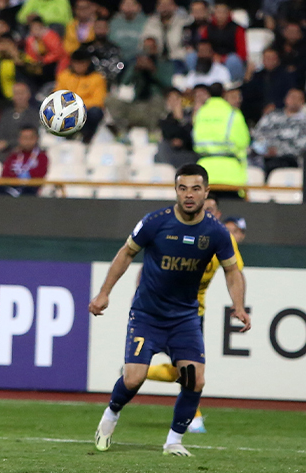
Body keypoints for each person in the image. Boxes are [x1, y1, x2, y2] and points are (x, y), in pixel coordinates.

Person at [90, 163, 249, 458]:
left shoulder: (215, 232)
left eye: (195, 188)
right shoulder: (155, 222)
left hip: (185, 317)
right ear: (176, 190)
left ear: (206, 192)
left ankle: (174, 441)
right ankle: (110, 416)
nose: (189, 195)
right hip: (147, 314)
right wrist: (104, 292)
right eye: (183, 188)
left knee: (194, 379)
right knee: (133, 378)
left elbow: (232, 271)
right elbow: (126, 253)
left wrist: (238, 305)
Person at [145, 194, 245, 435]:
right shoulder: (179, 232)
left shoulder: (221, 239)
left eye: (211, 209)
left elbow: (235, 272)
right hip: (165, 309)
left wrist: (239, 305)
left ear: (217, 214)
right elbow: (150, 265)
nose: (207, 212)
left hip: (193, 314)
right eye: (204, 208)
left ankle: (138, 371)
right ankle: (193, 416)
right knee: (189, 370)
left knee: (186, 370)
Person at [193, 83, 249, 199]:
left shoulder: (200, 113)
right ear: (224, 94)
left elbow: (195, 140)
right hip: (230, 174)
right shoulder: (233, 114)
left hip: (205, 171)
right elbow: (244, 141)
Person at [107, 37, 172, 135]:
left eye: (150, 47)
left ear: (156, 48)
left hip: (153, 104)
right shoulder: (134, 63)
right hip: (135, 103)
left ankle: (153, 132)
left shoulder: (164, 64)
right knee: (111, 100)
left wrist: (153, 71)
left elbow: (168, 85)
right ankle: (122, 132)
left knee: (158, 101)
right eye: (145, 47)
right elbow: (124, 83)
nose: (147, 51)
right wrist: (134, 69)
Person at [251, 88, 306, 179]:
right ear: (286, 99)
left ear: (302, 101)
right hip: (265, 158)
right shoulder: (272, 116)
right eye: (291, 97)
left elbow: (302, 145)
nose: (293, 100)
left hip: (290, 161)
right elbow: (257, 135)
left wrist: (278, 151)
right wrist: (265, 150)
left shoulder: (303, 122)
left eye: (297, 98)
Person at [56, 48, 107, 144]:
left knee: (96, 112)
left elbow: (99, 100)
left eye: (82, 63)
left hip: (86, 110)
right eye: (76, 63)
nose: (79, 66)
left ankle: (87, 137)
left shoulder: (97, 78)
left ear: (88, 64)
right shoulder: (64, 76)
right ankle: (68, 136)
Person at [187, 2, 245, 83]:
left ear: (228, 13)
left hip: (228, 60)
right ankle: (195, 81)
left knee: (233, 60)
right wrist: (212, 56)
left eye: (223, 12)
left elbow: (242, 54)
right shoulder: (208, 28)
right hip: (211, 59)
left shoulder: (238, 29)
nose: (220, 15)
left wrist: (222, 58)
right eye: (218, 12)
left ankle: (232, 83)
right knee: (191, 56)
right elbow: (202, 46)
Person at [241, 48, 296, 125]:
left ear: (277, 60)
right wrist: (247, 77)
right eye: (267, 58)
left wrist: (276, 105)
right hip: (259, 113)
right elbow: (247, 95)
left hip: (280, 111)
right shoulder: (257, 76)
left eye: (272, 58)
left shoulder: (286, 76)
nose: (269, 61)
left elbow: (291, 94)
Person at [0, 126, 49, 196]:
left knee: (30, 188)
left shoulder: (42, 156)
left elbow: (41, 175)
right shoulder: (13, 156)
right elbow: (5, 174)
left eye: (31, 138)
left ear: (36, 139)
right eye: (25, 138)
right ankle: (12, 192)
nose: (28, 141)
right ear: (19, 139)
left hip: (30, 189)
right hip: (12, 186)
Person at [140, 0, 190, 73]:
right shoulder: (151, 22)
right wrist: (149, 46)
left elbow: (187, 44)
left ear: (175, 7)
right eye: (161, 5)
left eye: (168, 5)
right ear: (157, 7)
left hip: (177, 58)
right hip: (156, 59)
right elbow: (144, 42)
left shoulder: (184, 23)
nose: (165, 8)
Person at [0, 81, 40, 158]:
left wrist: (8, 143)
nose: (19, 97)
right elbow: (0, 135)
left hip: (27, 151)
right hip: (5, 151)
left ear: (28, 95)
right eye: (16, 93)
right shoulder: (6, 114)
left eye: (22, 93)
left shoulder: (35, 115)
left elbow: (34, 137)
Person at [156, 87, 197, 168]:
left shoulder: (189, 117)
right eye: (170, 99)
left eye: (176, 99)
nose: (174, 102)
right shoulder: (164, 120)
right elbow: (168, 135)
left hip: (188, 155)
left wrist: (181, 119)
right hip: (170, 155)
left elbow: (191, 135)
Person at [23, 15, 69, 89]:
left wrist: (44, 60)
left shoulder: (50, 36)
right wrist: (33, 62)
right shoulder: (30, 40)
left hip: (57, 65)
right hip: (41, 66)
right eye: (33, 28)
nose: (35, 30)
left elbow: (58, 52)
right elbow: (30, 55)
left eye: (38, 27)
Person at [80, 17, 125, 85]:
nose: (100, 31)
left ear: (108, 30)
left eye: (103, 28)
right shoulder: (84, 48)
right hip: (86, 84)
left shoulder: (115, 49)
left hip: (108, 84)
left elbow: (118, 69)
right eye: (98, 28)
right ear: (93, 29)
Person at [110, 0, 147, 65]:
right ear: (120, 6)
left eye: (132, 4)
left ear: (139, 7)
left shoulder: (147, 22)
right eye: (126, 4)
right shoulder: (113, 22)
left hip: (138, 59)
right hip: (117, 59)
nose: (129, 7)